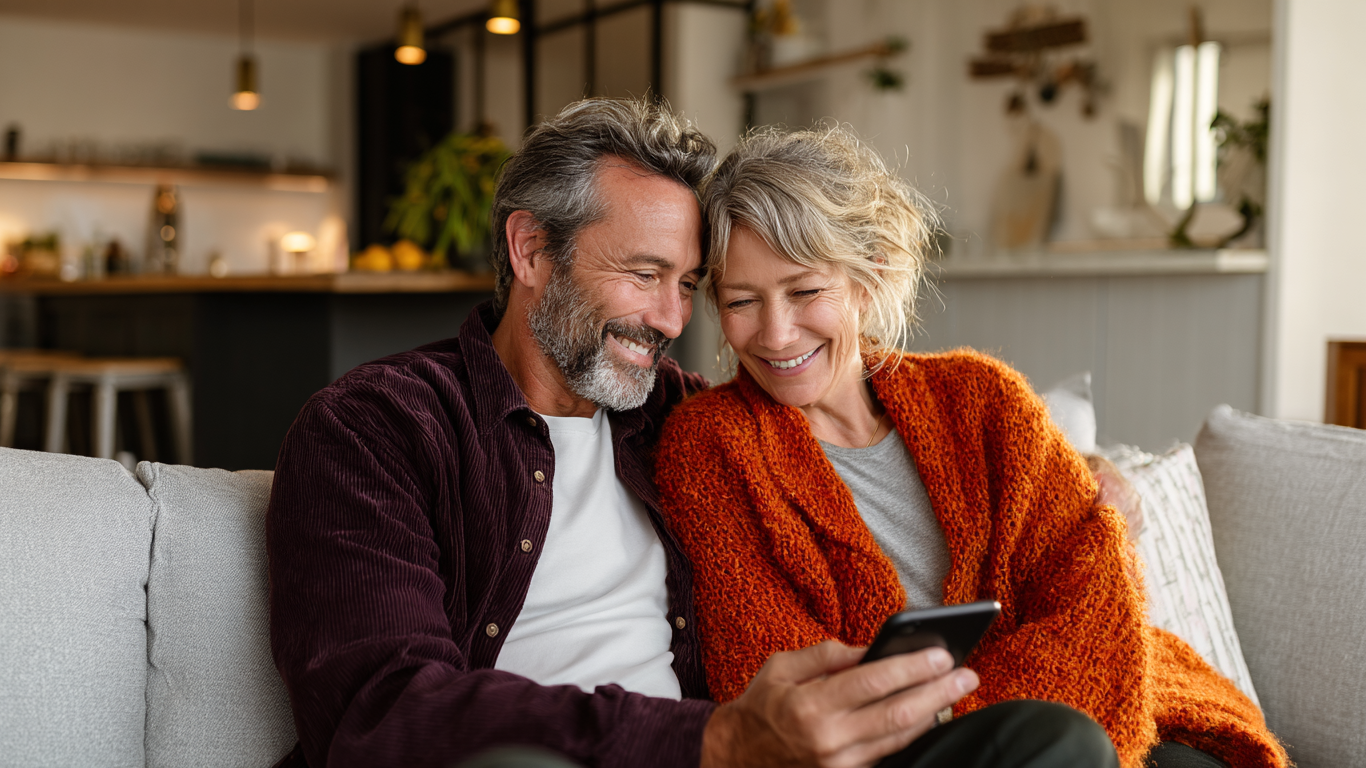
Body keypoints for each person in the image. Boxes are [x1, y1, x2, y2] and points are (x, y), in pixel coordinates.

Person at [266, 98, 1116, 768]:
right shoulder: (377, 430)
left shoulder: (681, 419)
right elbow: (381, 715)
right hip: (579, 761)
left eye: (690, 284)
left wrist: (1078, 476)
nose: (672, 318)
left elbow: (845, 418)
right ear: (530, 250)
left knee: (1053, 743)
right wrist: (712, 744)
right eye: (643, 276)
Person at [652, 124, 1287, 768]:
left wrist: (978, 713)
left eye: (805, 291)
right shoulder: (710, 448)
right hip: (893, 753)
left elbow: (1094, 579)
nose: (777, 333)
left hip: (1085, 705)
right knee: (1067, 744)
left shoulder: (983, 399)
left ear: (868, 278)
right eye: (741, 302)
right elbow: (773, 680)